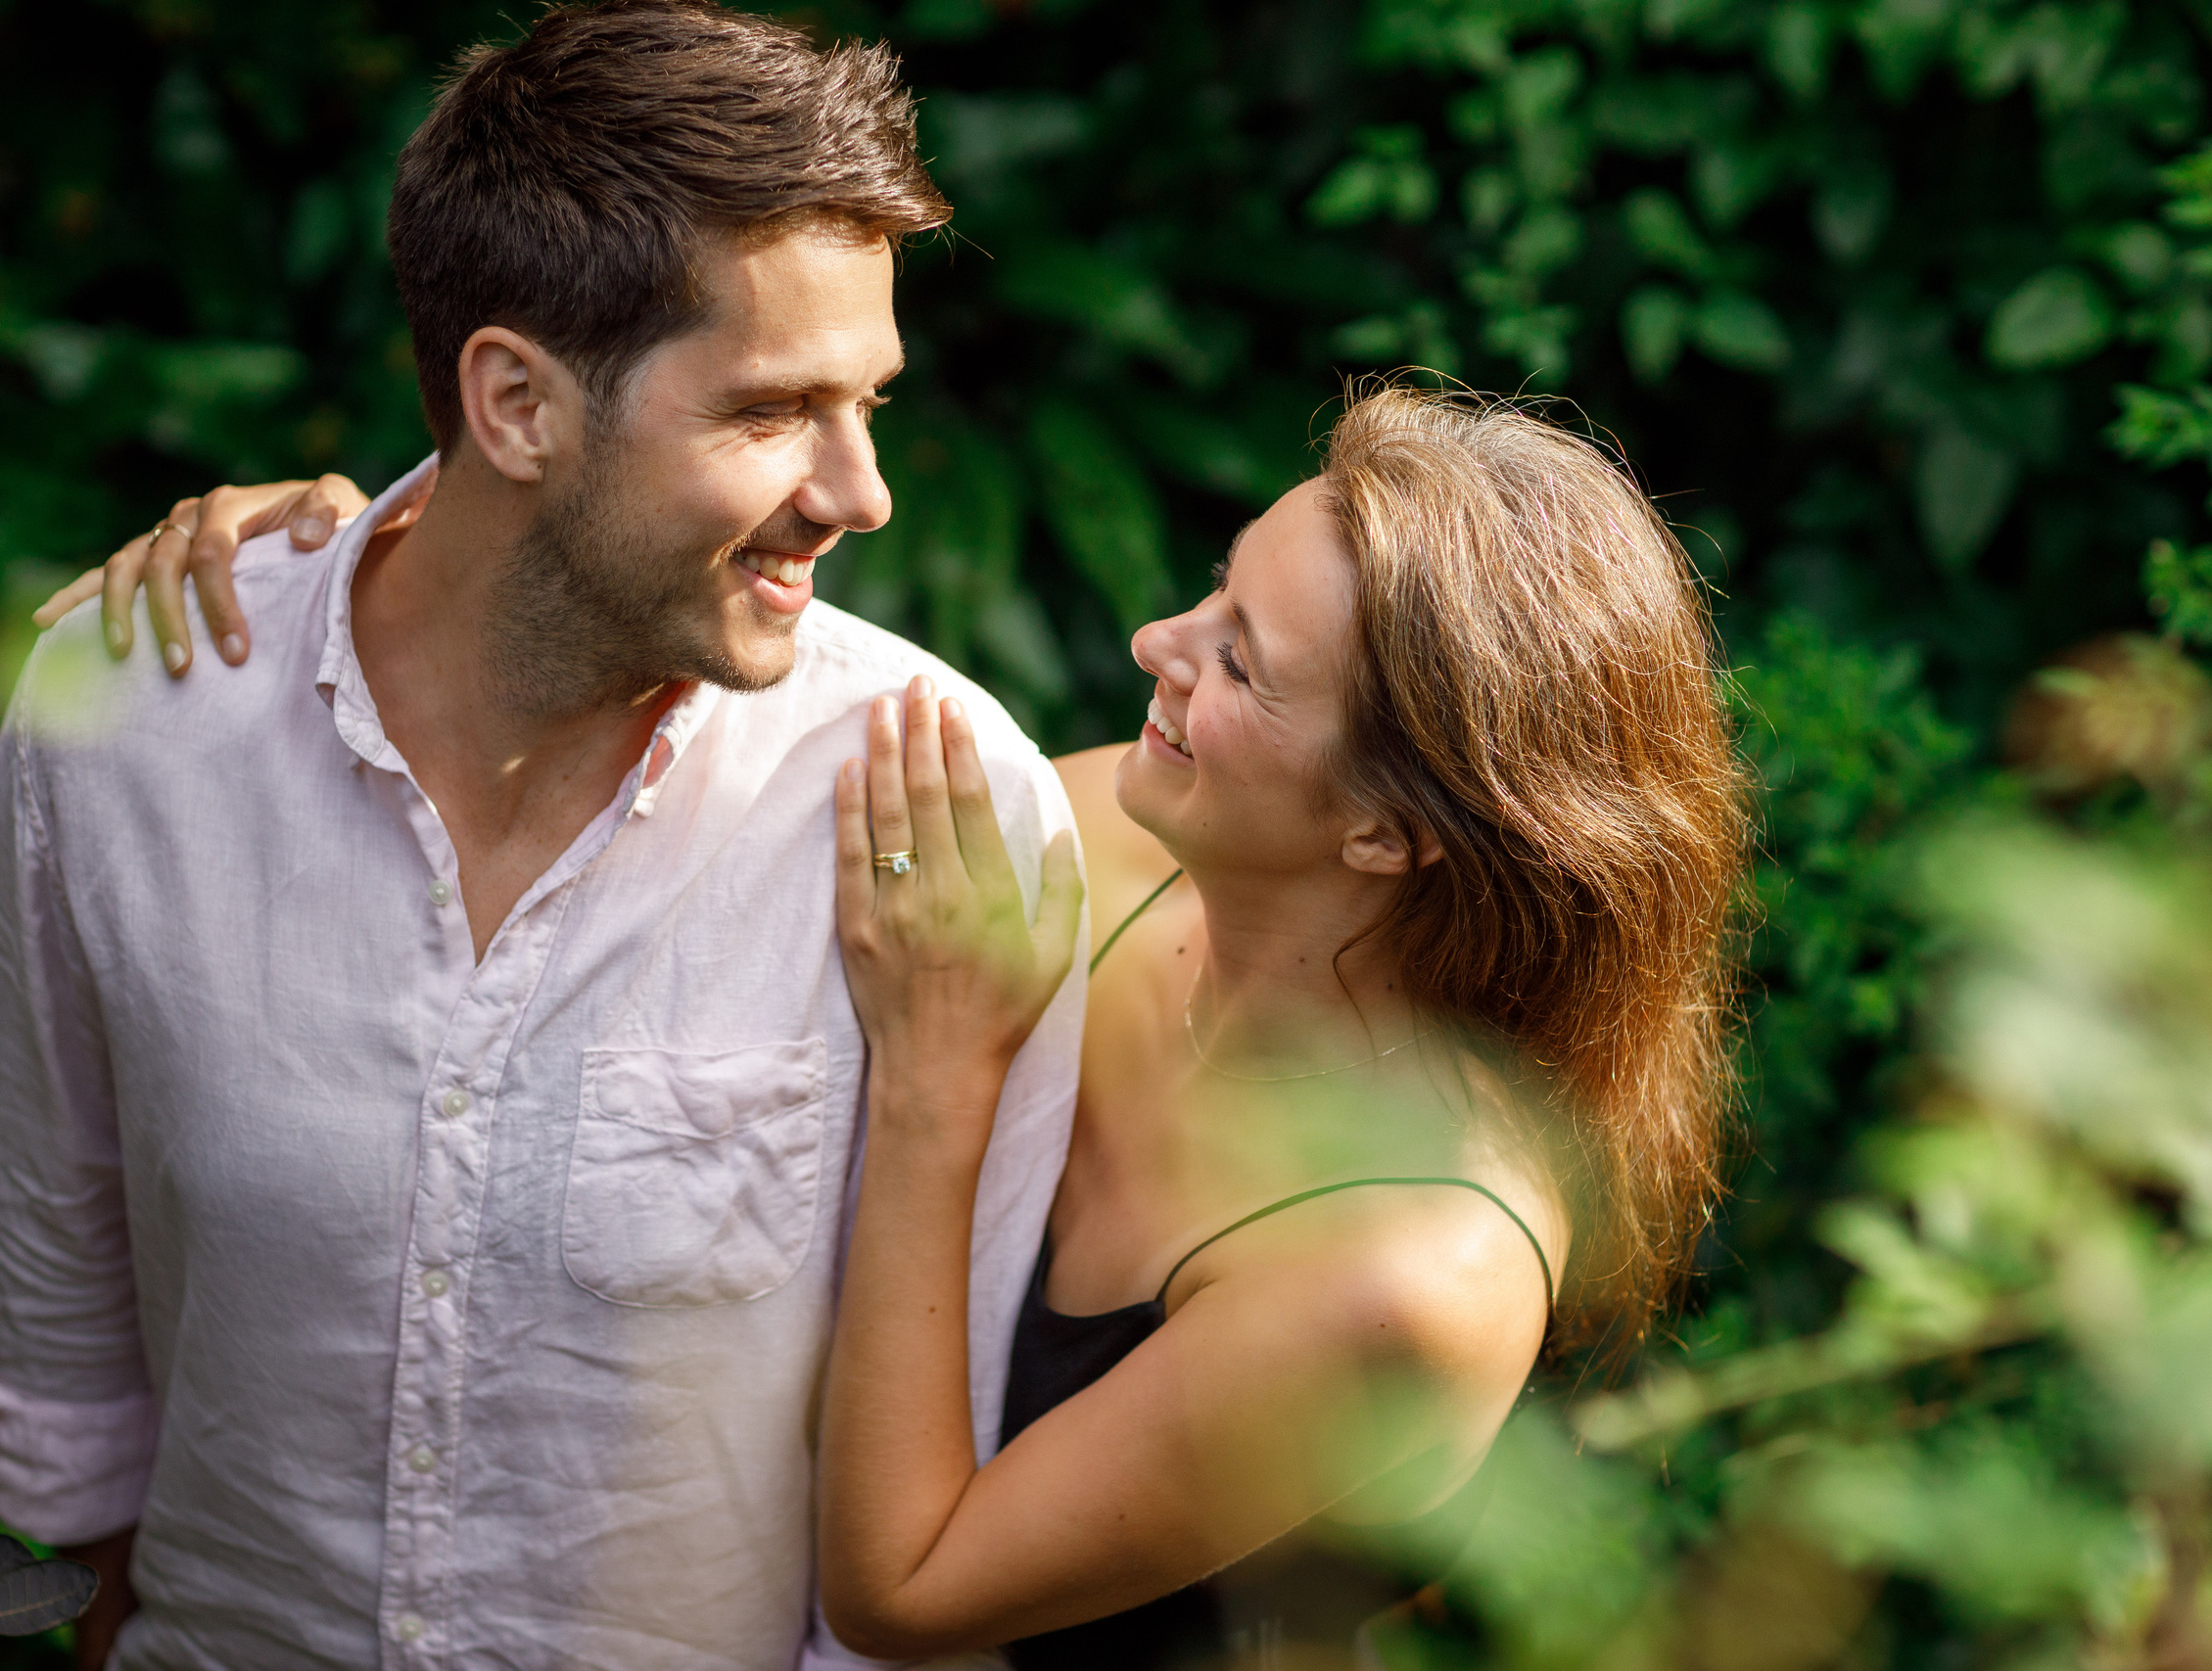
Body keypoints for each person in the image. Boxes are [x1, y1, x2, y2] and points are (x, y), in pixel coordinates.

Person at [92, 383, 1750, 1662]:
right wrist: (367, 574)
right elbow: (723, 754)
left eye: (1241, 663)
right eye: (1212, 594)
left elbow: (904, 1592)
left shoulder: (1408, 1268)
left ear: (1389, 833)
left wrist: (946, 1087)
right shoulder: (1103, 837)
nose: (1153, 645)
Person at [0, 7, 1084, 1670]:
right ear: (515, 403)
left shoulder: (943, 806)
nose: (862, 493)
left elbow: (926, 1515)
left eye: (869, 402)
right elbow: (68, 1335)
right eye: (774, 410)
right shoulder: (132, 722)